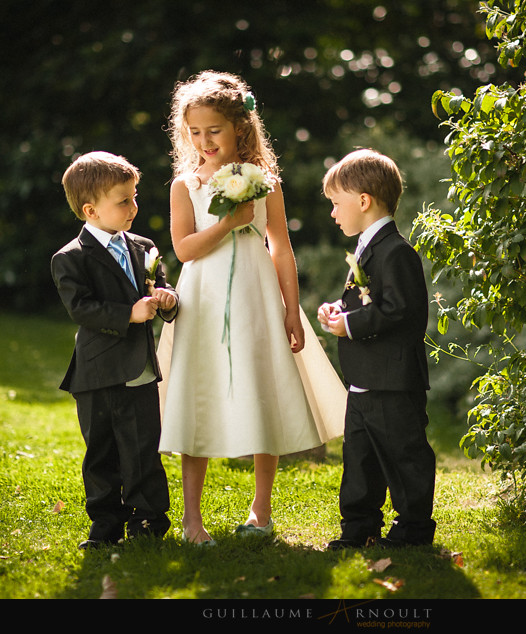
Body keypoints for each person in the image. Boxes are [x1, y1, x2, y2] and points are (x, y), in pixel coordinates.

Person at [157, 71, 345, 545]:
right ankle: (192, 519)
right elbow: (184, 249)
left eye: (213, 130)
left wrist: (290, 309)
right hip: (203, 298)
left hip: (255, 294)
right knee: (198, 392)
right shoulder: (185, 186)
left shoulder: (266, 183)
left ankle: (261, 511)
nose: (204, 141)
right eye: (194, 132)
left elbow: (280, 246)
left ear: (239, 127)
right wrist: (229, 222)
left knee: (263, 385)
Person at [51, 151, 179, 550]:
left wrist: (168, 299)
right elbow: (81, 308)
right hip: (97, 373)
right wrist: (129, 314)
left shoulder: (144, 247)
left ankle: (149, 522)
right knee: (102, 454)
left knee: (143, 448)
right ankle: (105, 527)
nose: (134, 207)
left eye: (134, 197)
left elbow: (161, 286)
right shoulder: (70, 258)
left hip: (139, 370)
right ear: (91, 210)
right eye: (124, 201)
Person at [317, 149, 436, 549]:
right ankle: (358, 527)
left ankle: (412, 529)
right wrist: (340, 311)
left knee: (404, 456)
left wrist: (350, 325)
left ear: (364, 201)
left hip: (393, 380)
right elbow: (370, 302)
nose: (333, 213)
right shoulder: (368, 248)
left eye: (337, 203)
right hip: (364, 379)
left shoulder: (396, 251)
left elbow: (402, 311)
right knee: (359, 460)